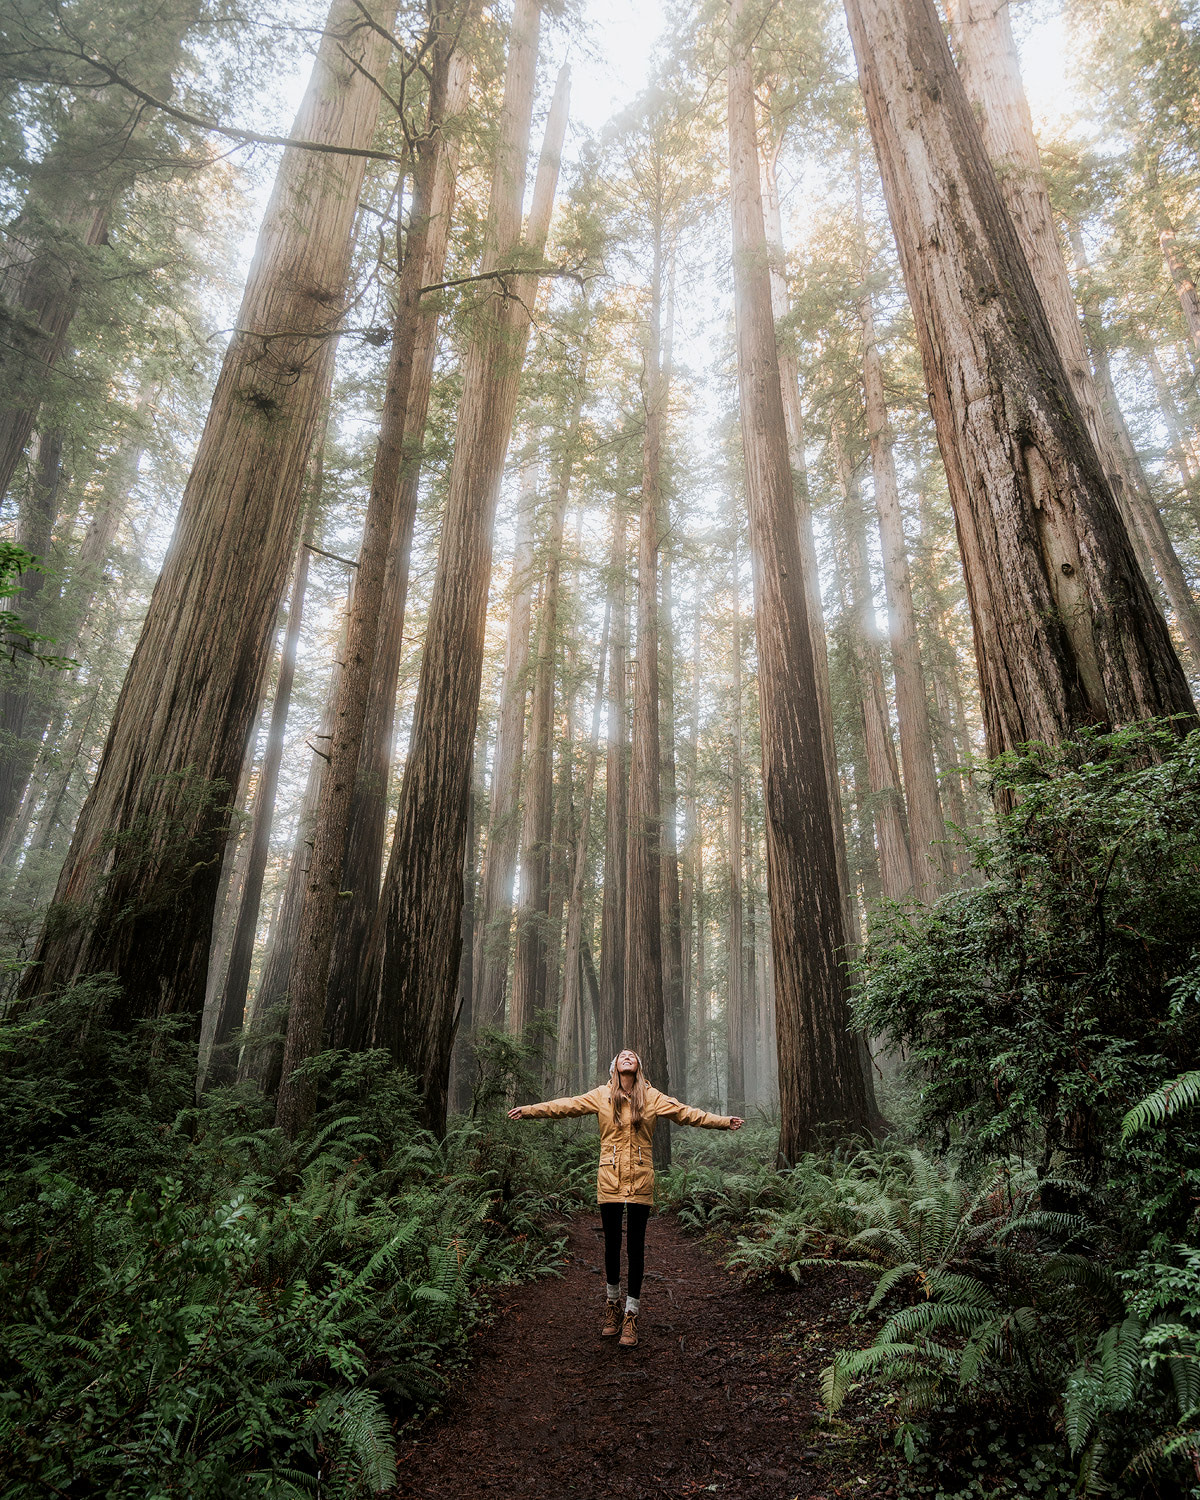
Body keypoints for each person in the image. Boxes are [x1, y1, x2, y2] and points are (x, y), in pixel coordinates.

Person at [508, 1048, 743, 1347]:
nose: (627, 1056)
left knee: (635, 1247)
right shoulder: (601, 1095)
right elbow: (564, 1106)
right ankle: (612, 1306)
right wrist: (528, 1109)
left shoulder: (652, 1097)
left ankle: (632, 1313)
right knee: (612, 1246)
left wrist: (723, 1121)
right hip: (609, 1177)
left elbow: (687, 1113)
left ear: (638, 1067)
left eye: (631, 1055)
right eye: (622, 1055)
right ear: (615, 1067)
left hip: (641, 1178)